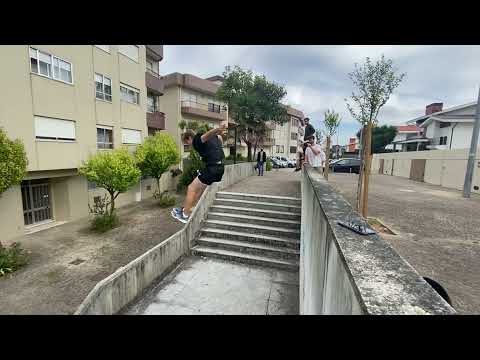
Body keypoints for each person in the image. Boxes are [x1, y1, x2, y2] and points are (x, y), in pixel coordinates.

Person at [171, 124, 228, 223]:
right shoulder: (215, 138)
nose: (189, 146)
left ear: (189, 138)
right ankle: (188, 208)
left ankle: (185, 215)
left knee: (191, 188)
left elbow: (205, 136)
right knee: (198, 189)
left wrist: (217, 129)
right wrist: (218, 134)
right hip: (220, 168)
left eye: (187, 144)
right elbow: (219, 138)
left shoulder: (197, 141)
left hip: (212, 169)